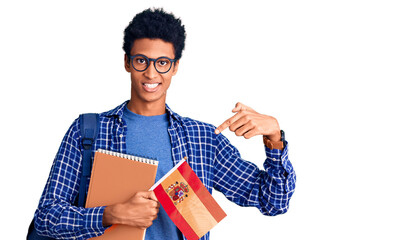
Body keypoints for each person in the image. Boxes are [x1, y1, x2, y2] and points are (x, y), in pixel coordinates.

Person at [33, 8, 296, 240]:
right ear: (127, 62)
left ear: (175, 67)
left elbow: (273, 201)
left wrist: (274, 137)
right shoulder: (88, 130)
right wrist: (109, 214)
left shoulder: (202, 139)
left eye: (162, 63)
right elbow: (46, 217)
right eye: (141, 61)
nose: (150, 73)